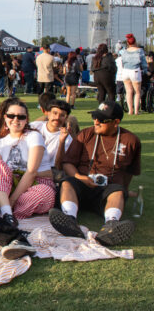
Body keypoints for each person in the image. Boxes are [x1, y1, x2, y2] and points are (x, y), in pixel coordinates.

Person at [49, 101, 140, 246]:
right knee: (67, 183)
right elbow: (67, 163)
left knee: (117, 191)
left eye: (102, 120)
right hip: (82, 183)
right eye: (95, 117)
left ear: (116, 122)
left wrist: (124, 190)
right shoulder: (85, 134)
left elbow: (130, 172)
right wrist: (80, 177)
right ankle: (70, 219)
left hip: (108, 188)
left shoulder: (130, 141)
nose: (96, 122)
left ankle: (111, 225)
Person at [0, 98, 54, 226]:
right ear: (5, 117)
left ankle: (6, 212)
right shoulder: (0, 143)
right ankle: (8, 212)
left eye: (21, 117)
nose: (16, 120)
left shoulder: (34, 136)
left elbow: (32, 171)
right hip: (7, 187)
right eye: (12, 116)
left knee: (45, 193)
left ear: (26, 119)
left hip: (33, 186)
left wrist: (11, 201)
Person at [30, 100, 72, 170]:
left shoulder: (67, 139)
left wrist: (62, 141)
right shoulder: (34, 126)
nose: (57, 118)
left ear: (66, 118)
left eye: (62, 115)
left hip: (47, 170)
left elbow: (59, 166)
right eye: (55, 113)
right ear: (48, 114)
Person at [119, 33, 148, 115]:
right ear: (135, 42)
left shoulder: (123, 51)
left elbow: (121, 61)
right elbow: (143, 63)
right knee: (137, 92)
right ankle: (136, 111)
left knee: (128, 92)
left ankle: (130, 110)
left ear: (128, 43)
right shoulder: (139, 50)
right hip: (135, 71)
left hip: (125, 71)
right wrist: (146, 71)